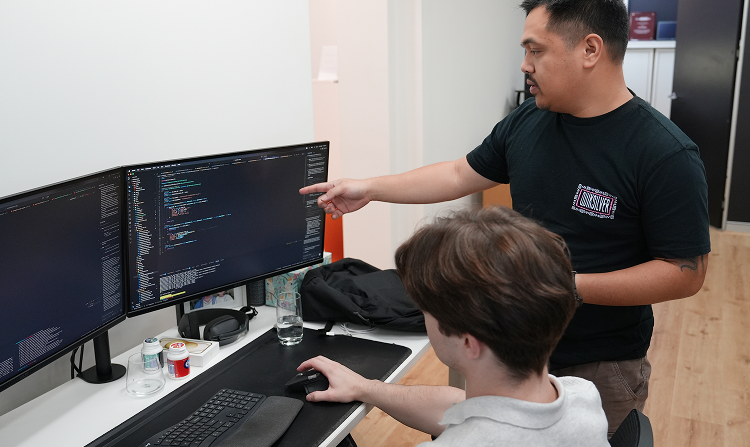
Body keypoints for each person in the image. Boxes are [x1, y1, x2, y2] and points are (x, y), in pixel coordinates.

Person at [300, 0, 710, 435]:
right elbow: (461, 172)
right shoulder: (529, 121)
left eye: (536, 50)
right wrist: (371, 188)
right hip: (503, 348)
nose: (524, 65)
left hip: (598, 360)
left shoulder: (664, 153)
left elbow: (684, 273)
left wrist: (563, 287)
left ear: (590, 50)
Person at [299, 207, 609, 445]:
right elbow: (462, 408)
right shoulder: (581, 397)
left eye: (426, 309)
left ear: (469, 343)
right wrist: (366, 388)